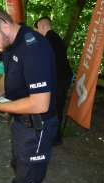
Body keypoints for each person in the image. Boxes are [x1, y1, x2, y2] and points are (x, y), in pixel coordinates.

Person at [0, 6, 58, 183]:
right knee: (19, 162)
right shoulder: (11, 43)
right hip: (20, 120)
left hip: (37, 125)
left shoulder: (33, 49)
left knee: (30, 172)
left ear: (4, 26)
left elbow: (40, 103)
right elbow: (9, 73)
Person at [35, 16, 73, 146]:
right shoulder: (56, 38)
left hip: (59, 79)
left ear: (43, 26)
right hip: (63, 77)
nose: (38, 30)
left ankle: (53, 137)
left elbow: (45, 63)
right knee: (58, 107)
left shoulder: (48, 40)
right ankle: (56, 136)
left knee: (54, 108)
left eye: (38, 27)